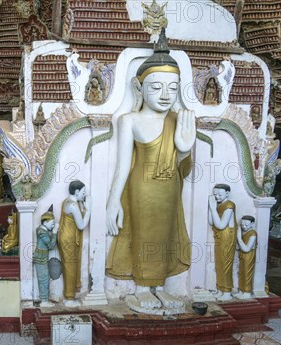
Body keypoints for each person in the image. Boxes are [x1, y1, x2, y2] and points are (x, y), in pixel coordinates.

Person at [105, 29, 195, 312]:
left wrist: (183, 148)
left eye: (172, 87)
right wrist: (112, 202)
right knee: (143, 235)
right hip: (141, 189)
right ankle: (143, 288)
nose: (165, 94)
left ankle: (162, 287)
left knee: (167, 235)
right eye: (156, 87)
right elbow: (122, 166)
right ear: (139, 87)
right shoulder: (129, 120)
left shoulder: (179, 119)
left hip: (169, 189)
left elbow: (184, 170)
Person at [58, 180, 91, 307]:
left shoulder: (66, 201)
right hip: (69, 239)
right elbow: (81, 225)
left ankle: (69, 295)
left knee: (69, 266)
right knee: (70, 267)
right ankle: (69, 298)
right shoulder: (72, 205)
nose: (84, 195)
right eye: (83, 192)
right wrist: (88, 210)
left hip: (66, 237)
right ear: (76, 192)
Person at [208, 184, 236, 301]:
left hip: (227, 238)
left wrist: (213, 208)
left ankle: (227, 290)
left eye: (220, 194)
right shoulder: (218, 205)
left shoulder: (229, 206)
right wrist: (211, 207)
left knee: (226, 264)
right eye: (215, 195)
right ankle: (220, 288)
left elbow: (220, 225)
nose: (217, 197)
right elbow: (211, 222)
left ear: (227, 193)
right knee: (219, 263)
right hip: (219, 238)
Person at [33, 206, 58, 308]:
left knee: (44, 278)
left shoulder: (41, 230)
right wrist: (55, 233)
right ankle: (44, 300)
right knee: (43, 279)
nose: (52, 226)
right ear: (45, 222)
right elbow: (51, 246)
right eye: (52, 224)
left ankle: (45, 299)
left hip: (42, 256)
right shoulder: (42, 232)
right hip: (41, 258)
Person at [235, 216, 257, 299]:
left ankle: (247, 291)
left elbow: (247, 249)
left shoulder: (253, 234)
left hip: (248, 255)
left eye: (246, 225)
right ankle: (241, 290)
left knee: (247, 273)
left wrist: (239, 238)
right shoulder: (244, 232)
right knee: (241, 272)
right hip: (242, 255)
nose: (243, 227)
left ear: (252, 224)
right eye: (242, 225)